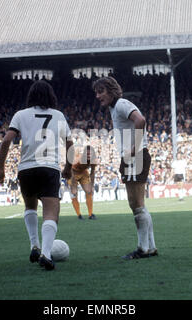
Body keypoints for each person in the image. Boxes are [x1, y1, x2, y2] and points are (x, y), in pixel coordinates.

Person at [0, 80, 73, 271]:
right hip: (49, 168)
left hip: (27, 168)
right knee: (51, 213)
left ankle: (34, 245)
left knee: (30, 207)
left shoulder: (21, 115)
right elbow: (70, 144)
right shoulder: (58, 115)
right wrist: (68, 168)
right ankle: (46, 255)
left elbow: (6, 140)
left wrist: (1, 168)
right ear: (51, 96)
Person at [93, 76, 157, 260]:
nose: (98, 96)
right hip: (133, 156)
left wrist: (133, 148)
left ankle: (143, 248)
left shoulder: (121, 104)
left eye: (101, 91)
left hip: (136, 156)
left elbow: (141, 120)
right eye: (96, 92)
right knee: (139, 205)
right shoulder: (116, 107)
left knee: (136, 204)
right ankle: (150, 247)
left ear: (111, 91)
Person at [68, 145, 97, 220]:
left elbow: (92, 173)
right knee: (74, 193)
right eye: (87, 154)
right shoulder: (77, 159)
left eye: (90, 154)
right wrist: (73, 184)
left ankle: (90, 214)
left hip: (83, 172)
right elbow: (70, 169)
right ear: (84, 154)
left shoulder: (94, 160)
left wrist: (92, 186)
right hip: (72, 173)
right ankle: (79, 215)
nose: (89, 156)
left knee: (89, 191)